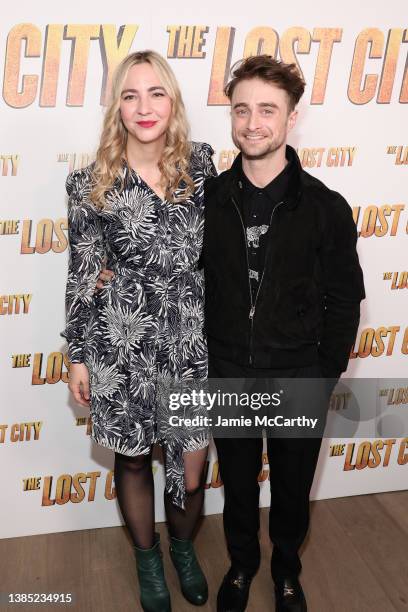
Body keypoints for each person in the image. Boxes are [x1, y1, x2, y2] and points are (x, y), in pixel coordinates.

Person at [202, 55, 365, 612]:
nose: (253, 123)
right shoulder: (207, 202)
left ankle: (287, 571)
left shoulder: (326, 208)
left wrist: (323, 374)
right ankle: (242, 566)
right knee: (239, 487)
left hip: (298, 375)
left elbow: (345, 300)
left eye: (267, 110)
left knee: (293, 490)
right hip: (226, 369)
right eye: (242, 109)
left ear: (291, 117)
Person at [62, 50, 216, 612]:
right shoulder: (90, 183)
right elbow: (82, 271)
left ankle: (183, 547)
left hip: (188, 336)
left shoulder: (202, 165)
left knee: (192, 459)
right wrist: (78, 355)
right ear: (117, 108)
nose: (143, 106)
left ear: (171, 100)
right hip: (121, 336)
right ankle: (148, 559)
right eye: (130, 95)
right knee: (132, 457)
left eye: (155, 93)